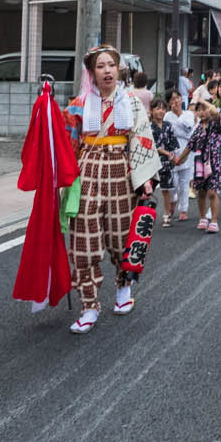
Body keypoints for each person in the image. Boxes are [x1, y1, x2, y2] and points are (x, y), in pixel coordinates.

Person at [67, 46, 161, 334]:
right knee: (84, 240)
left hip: (122, 171)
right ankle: (89, 304)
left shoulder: (131, 102)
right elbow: (68, 144)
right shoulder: (78, 104)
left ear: (120, 70)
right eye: (100, 66)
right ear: (91, 72)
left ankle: (124, 288)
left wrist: (145, 180)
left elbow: (142, 140)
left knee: (121, 237)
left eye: (111, 65)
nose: (107, 70)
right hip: (88, 173)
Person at [187, 94, 221, 233]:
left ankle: (214, 221)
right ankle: (203, 218)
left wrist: (201, 100)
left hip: (214, 162)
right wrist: (178, 160)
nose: (202, 112)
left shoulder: (215, 124)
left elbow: (215, 112)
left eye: (204, 109)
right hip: (199, 164)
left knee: (212, 192)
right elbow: (189, 145)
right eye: (199, 109)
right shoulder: (197, 128)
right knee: (201, 193)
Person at [165, 89, 198, 221]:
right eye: (172, 99)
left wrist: (179, 115)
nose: (176, 101)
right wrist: (181, 128)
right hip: (172, 153)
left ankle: (183, 209)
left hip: (186, 150)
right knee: (172, 183)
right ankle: (173, 200)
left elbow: (190, 130)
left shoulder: (189, 114)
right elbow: (170, 131)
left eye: (177, 98)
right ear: (168, 103)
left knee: (184, 183)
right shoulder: (167, 116)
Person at [151, 96, 180, 223]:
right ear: (152, 110)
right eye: (158, 108)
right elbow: (152, 145)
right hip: (152, 163)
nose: (161, 111)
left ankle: (167, 215)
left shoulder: (168, 126)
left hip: (167, 163)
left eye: (163, 109)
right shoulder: (148, 127)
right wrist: (167, 153)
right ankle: (145, 214)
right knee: (148, 190)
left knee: (166, 190)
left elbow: (174, 143)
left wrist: (173, 155)